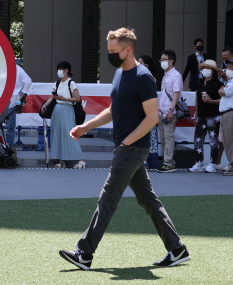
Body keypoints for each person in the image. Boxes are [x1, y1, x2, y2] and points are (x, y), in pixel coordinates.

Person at [60, 28, 189, 271]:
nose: (109, 55)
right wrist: (86, 126)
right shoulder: (120, 74)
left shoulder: (143, 77)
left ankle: (84, 254)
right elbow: (113, 110)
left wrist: (128, 141)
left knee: (108, 197)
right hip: (129, 147)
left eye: (112, 51)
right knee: (148, 199)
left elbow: (152, 118)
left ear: (127, 49)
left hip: (131, 148)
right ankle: (177, 250)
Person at [39, 61, 84, 169]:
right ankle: (61, 160)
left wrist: (65, 99)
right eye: (58, 69)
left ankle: (81, 160)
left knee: (70, 135)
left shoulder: (71, 83)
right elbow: (52, 97)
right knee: (58, 135)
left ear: (66, 70)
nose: (59, 71)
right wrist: (45, 106)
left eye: (61, 69)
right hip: (57, 111)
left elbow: (78, 98)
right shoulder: (57, 83)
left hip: (67, 110)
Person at [0, 62, 32, 148]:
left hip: (11, 102)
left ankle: (9, 148)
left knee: (10, 128)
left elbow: (28, 81)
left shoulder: (17, 68)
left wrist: (23, 94)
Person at [189, 60, 222, 173]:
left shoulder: (218, 83)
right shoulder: (199, 83)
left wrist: (211, 101)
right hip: (201, 116)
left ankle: (213, 163)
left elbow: (223, 100)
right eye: (205, 67)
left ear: (213, 71)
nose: (206, 70)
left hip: (213, 115)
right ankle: (198, 162)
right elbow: (197, 100)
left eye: (209, 68)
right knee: (197, 140)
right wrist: (196, 115)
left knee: (213, 141)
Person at [157, 50, 182, 173]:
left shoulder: (175, 75)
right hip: (162, 112)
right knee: (163, 137)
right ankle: (170, 162)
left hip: (169, 112)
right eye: (161, 59)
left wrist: (171, 110)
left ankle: (168, 163)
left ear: (171, 61)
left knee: (168, 137)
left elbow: (176, 94)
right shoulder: (166, 75)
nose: (162, 61)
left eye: (164, 59)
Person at [139, 55, 158, 167]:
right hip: (140, 109)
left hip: (147, 110)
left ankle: (145, 161)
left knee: (146, 135)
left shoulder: (150, 78)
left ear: (146, 66)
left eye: (140, 62)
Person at [219, 60, 233, 176]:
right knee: (226, 140)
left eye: (230, 67)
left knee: (230, 140)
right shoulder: (230, 81)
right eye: (227, 66)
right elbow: (221, 91)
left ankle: (232, 165)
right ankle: (231, 164)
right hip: (224, 112)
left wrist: (223, 90)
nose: (228, 69)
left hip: (230, 113)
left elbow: (223, 92)